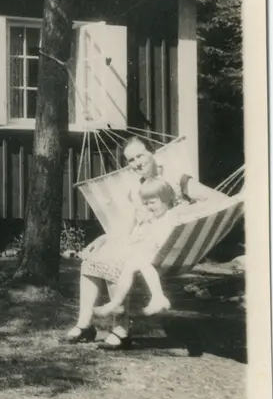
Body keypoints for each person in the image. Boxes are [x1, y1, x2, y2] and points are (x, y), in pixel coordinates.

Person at [64, 137, 206, 349]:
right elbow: (127, 226)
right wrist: (104, 238)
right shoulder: (136, 187)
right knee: (91, 260)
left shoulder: (178, 178)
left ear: (153, 153)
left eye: (140, 155)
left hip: (163, 247)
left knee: (116, 262)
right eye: (130, 160)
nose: (137, 163)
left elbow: (215, 200)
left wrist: (185, 216)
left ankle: (120, 330)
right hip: (140, 240)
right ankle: (85, 324)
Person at [91, 178, 179, 318]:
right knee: (128, 267)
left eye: (153, 202)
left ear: (166, 200)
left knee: (140, 263)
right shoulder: (152, 219)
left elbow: (165, 238)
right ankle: (115, 303)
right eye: (146, 203)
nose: (149, 206)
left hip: (161, 255)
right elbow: (139, 237)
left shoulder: (170, 217)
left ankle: (158, 297)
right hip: (147, 254)